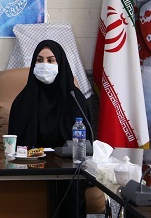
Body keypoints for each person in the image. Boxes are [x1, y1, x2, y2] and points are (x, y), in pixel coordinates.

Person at [7, 39, 91, 218]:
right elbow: (15, 147)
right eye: (40, 60)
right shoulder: (22, 102)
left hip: (68, 171)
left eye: (51, 60)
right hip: (31, 169)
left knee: (72, 184)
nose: (44, 65)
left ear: (60, 64)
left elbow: (86, 147)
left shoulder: (75, 99)